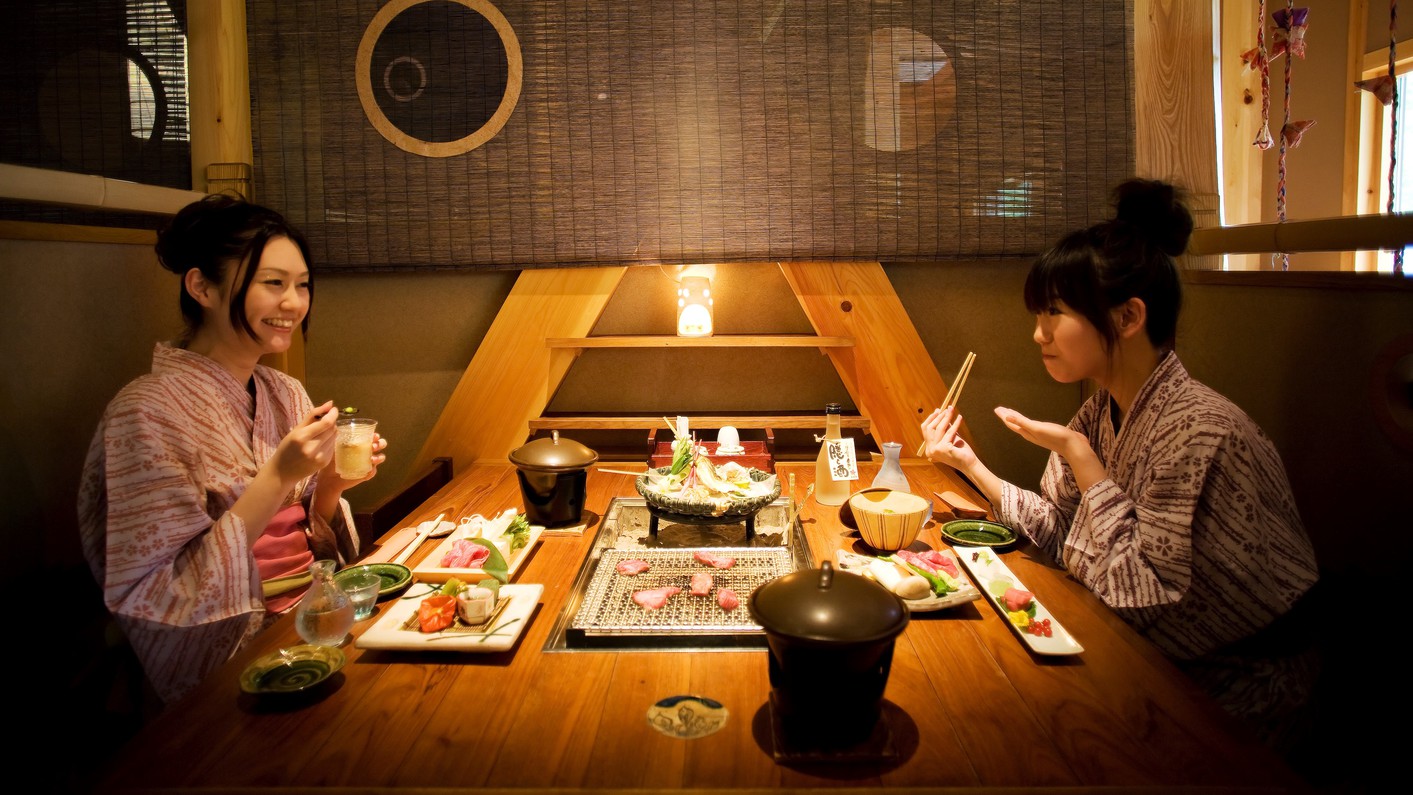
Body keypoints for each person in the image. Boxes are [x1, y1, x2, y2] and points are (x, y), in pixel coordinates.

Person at [921, 179, 1319, 747]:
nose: (1038, 334)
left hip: (1237, 688)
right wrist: (972, 467)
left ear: (1129, 317)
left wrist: (1081, 458)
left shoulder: (1200, 430)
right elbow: (1062, 535)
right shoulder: (1099, 412)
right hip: (1148, 657)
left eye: (1054, 313)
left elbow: (1138, 597)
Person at [78, 194, 387, 704]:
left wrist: (332, 484)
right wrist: (279, 475)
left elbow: (314, 540)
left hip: (315, 615)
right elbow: (160, 593)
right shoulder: (145, 413)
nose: (294, 303)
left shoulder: (284, 392)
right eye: (274, 283)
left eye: (302, 285)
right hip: (239, 647)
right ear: (201, 286)